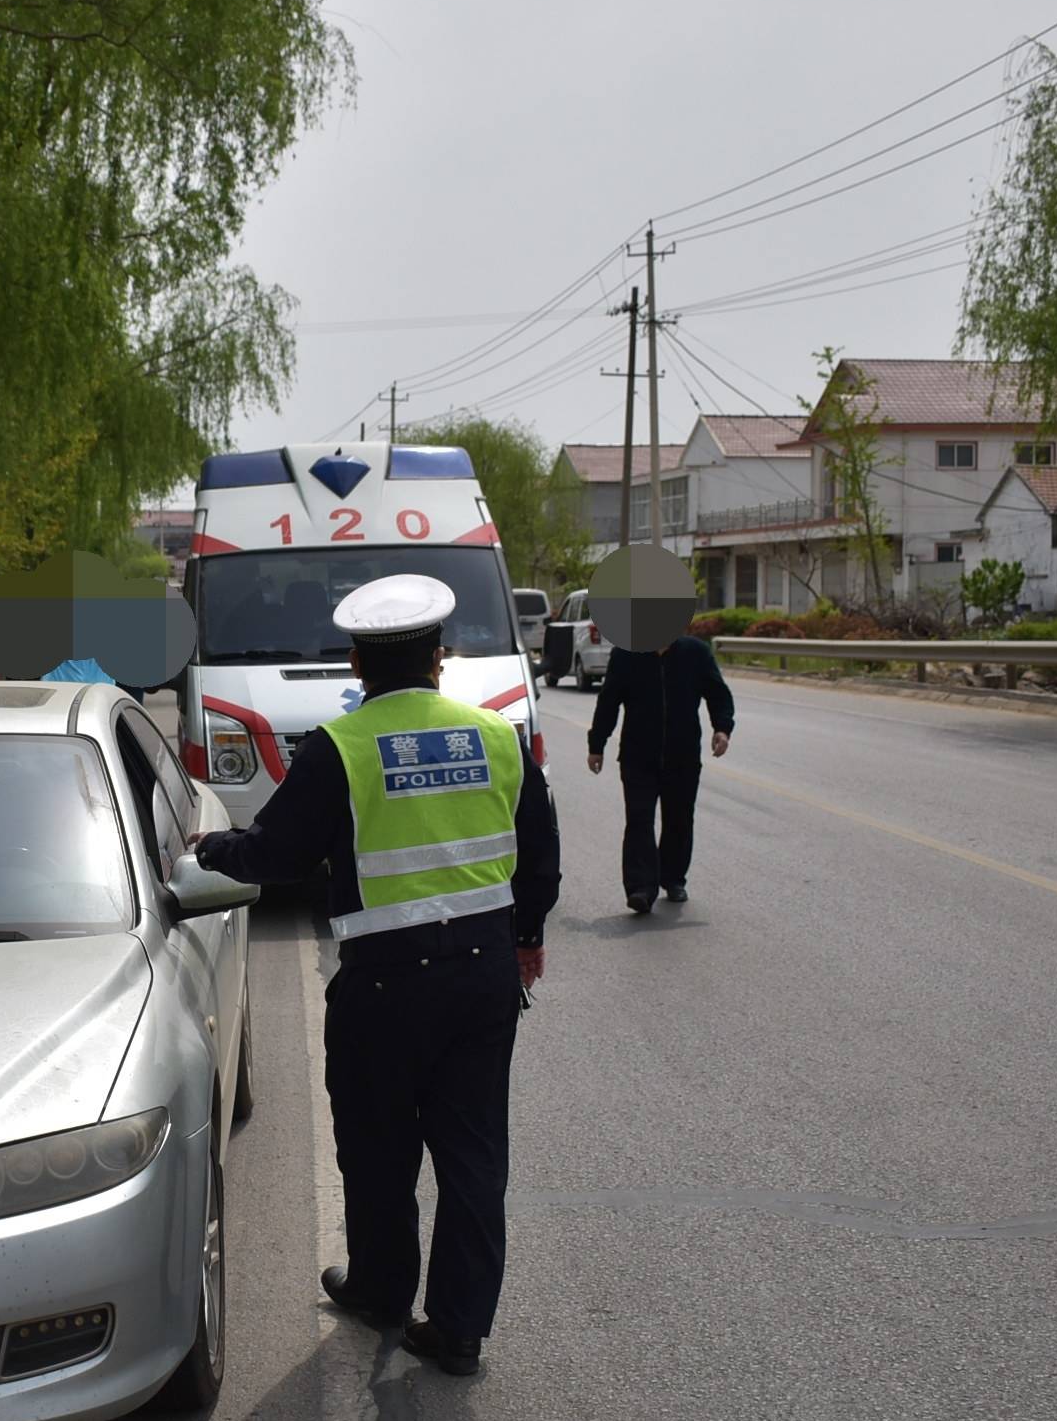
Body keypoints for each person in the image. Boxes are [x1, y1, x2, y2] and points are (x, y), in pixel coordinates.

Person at [192, 573, 560, 1377]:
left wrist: (208, 848)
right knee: (472, 1156)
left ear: (356, 661)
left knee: (377, 1147)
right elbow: (540, 852)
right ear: (441, 657)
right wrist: (526, 934)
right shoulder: (497, 736)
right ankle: (459, 1328)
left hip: (385, 988)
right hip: (483, 976)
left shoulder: (341, 747)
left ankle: (384, 1291)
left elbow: (275, 855)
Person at [585, 632, 735, 912]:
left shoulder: (696, 653)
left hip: (683, 755)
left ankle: (674, 878)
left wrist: (722, 728)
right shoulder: (626, 654)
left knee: (679, 819)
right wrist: (597, 745)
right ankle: (641, 888)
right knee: (639, 820)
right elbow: (609, 702)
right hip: (637, 756)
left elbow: (718, 693)